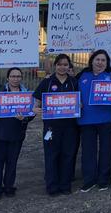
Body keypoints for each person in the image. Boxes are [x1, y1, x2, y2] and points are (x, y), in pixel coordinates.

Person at [76, 50, 111, 192]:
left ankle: (103, 179)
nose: (100, 63)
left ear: (107, 62)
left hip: (106, 120)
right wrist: (76, 102)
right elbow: (72, 93)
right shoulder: (82, 75)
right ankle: (89, 180)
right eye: (97, 59)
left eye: (103, 60)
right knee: (88, 151)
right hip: (86, 120)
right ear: (92, 61)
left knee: (105, 150)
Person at [33, 55, 79, 196]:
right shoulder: (47, 82)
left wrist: (80, 104)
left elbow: (80, 99)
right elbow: (36, 100)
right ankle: (52, 186)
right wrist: (36, 108)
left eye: (65, 65)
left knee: (68, 155)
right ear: (55, 65)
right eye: (59, 64)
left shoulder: (73, 82)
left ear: (69, 67)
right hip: (51, 126)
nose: (62, 67)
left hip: (70, 126)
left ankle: (65, 186)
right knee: (51, 155)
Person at [0, 68, 34, 200]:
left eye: (18, 76)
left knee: (12, 162)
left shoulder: (26, 93)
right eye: (13, 76)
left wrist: (24, 118)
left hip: (16, 134)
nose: (16, 79)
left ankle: (9, 187)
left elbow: (31, 113)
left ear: (21, 78)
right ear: (8, 78)